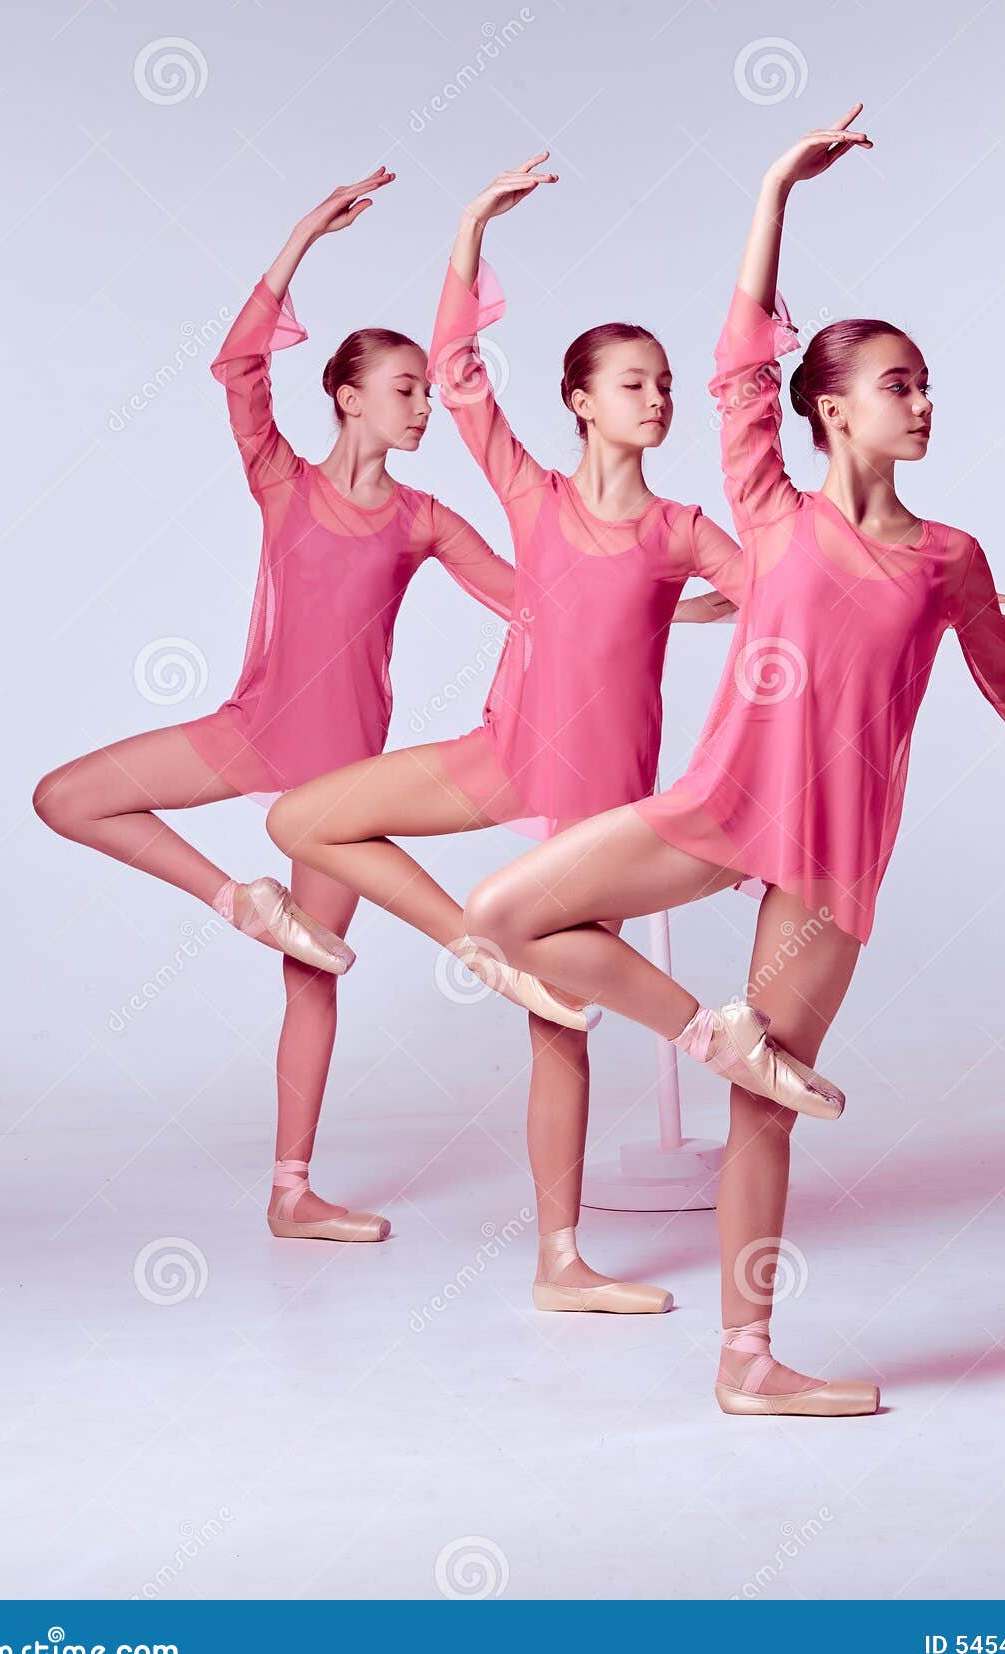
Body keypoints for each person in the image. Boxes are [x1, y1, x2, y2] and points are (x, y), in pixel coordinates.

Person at [457, 107, 1005, 1416]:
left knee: (763, 1112)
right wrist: (774, 187)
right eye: (897, 382)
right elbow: (736, 364)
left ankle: (746, 1363)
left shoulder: (949, 557)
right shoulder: (767, 507)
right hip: (719, 800)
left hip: (831, 852)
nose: (921, 402)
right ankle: (710, 1032)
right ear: (829, 407)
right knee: (502, 912)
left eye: (925, 383)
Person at [268, 153, 751, 1311]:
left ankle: (558, 1263)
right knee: (302, 819)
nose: (655, 398)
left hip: (600, 796)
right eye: (632, 382)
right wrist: (473, 222)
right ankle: (474, 945)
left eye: (664, 383)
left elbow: (784, 606)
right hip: (502, 751)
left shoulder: (682, 529)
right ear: (580, 400)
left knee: (560, 1026)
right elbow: (456, 371)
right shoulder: (533, 498)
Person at [34, 167, 525, 1242]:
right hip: (251, 731)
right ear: (348, 396)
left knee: (313, 974)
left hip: (342, 782)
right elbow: (239, 367)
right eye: (406, 388)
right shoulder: (282, 481)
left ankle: (291, 1193)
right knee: (65, 796)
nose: (424, 406)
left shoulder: (423, 518)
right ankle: (236, 899)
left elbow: (527, 596)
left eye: (426, 390)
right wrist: (304, 234)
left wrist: (678, 596)